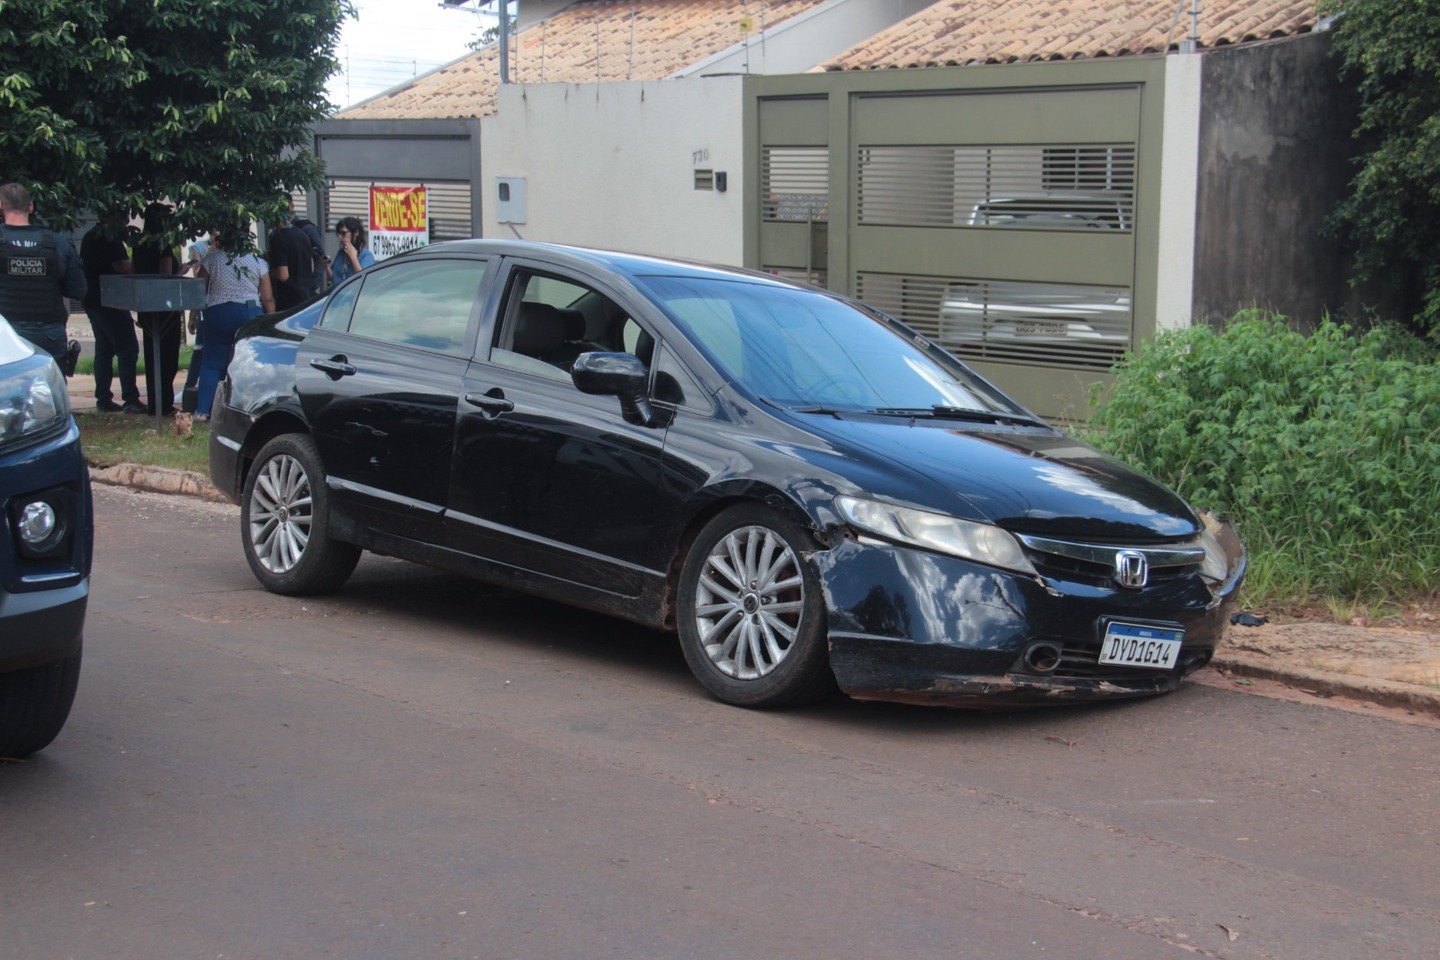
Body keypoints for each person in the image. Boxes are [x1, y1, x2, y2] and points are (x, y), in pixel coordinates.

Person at [0, 182, 86, 371]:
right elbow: (78, 290)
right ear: (30, 206)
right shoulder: (56, 242)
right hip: (49, 338)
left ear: (1, 206)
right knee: (49, 394)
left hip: (5, 339)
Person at [195, 230, 273, 419]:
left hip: (218, 312)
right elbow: (267, 297)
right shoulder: (257, 261)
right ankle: (249, 409)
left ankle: (203, 410)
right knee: (249, 362)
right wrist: (271, 320)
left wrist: (192, 317)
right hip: (249, 313)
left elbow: (199, 290)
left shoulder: (212, 259)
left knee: (212, 363)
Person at [80, 215, 144, 413]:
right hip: (109, 300)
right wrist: (143, 263)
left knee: (105, 348)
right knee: (128, 347)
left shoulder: (90, 236)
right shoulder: (110, 238)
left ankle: (103, 398)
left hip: (91, 297)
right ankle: (130, 398)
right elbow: (123, 266)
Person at [131, 202, 183, 417]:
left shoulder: (139, 244)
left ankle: (155, 403)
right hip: (166, 308)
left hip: (147, 304)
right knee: (168, 358)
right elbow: (166, 276)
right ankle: (164, 403)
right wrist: (183, 270)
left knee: (153, 357)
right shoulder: (162, 246)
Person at [266, 212, 315, 311]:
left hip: (288, 299)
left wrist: (268, 273)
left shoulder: (277, 237)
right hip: (306, 295)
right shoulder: (302, 234)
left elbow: (283, 275)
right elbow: (312, 267)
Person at [289, 197, 328, 296]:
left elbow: (320, 253)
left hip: (307, 283)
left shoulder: (306, 228)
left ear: (292, 206)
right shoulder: (281, 231)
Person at [331, 217, 375, 285]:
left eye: (344, 233)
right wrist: (326, 266)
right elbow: (333, 277)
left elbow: (364, 280)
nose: (340, 237)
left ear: (356, 232)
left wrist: (353, 258)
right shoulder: (341, 253)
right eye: (339, 234)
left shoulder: (366, 256)